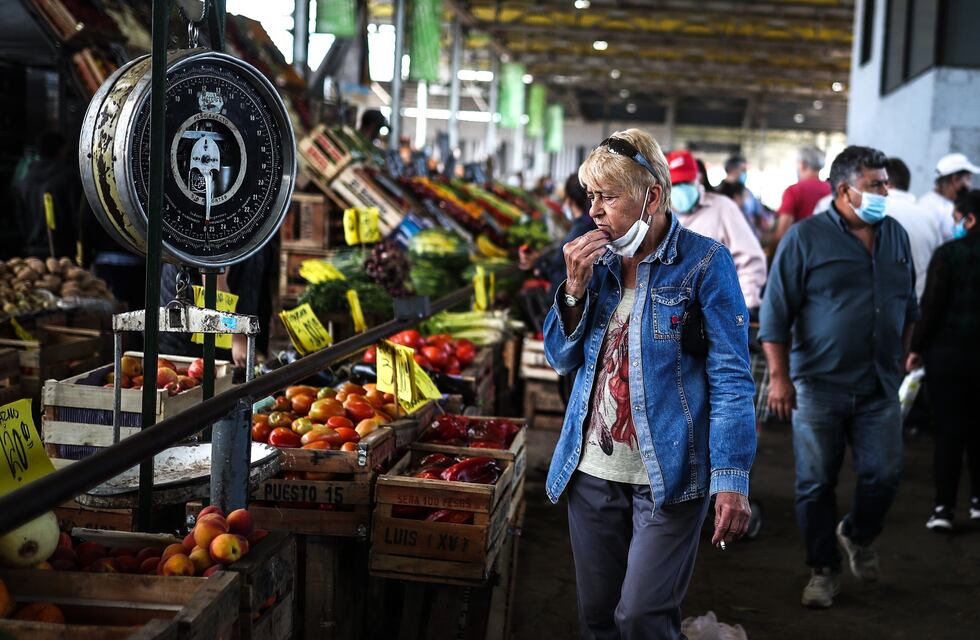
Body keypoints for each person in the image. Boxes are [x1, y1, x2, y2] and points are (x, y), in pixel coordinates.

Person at [544, 129, 756, 639]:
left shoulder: (705, 263)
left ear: (652, 197)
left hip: (669, 474)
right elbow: (560, 357)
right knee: (598, 618)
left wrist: (731, 476)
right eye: (591, 196)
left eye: (609, 196)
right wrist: (573, 289)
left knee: (640, 618)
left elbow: (731, 376)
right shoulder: (594, 264)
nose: (594, 210)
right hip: (591, 470)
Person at [759, 146, 917, 609]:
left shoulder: (896, 237)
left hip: (879, 386)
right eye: (877, 184)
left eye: (885, 183)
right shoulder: (805, 239)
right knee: (815, 483)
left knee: (885, 475)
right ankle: (823, 570)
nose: (886, 191)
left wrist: (901, 355)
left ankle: (857, 532)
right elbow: (775, 314)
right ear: (845, 190)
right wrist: (780, 378)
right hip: (819, 385)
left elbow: (909, 306)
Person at [906, 189, 980, 532]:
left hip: (949, 358)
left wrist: (916, 347)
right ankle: (978, 503)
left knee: (950, 431)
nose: (954, 225)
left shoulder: (948, 254)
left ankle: (943, 509)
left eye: (956, 219)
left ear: (970, 219)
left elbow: (931, 306)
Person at [667, 150, 767, 316]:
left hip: (717, 311)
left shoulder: (722, 208)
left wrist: (743, 306)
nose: (681, 188)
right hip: (671, 316)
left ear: (697, 178)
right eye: (676, 184)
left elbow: (750, 259)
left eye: (686, 182)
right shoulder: (659, 216)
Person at [883, 157, 943, 301]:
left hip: (881, 309)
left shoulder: (873, 213)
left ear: (887, 183)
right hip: (920, 304)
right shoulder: (929, 218)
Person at [13, 131, 80, 258]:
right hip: (64, 253)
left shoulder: (24, 181)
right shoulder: (68, 178)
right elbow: (77, 216)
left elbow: (20, 218)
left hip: (32, 251)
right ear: (61, 150)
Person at [773, 145, 831, 246]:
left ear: (802, 165)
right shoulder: (831, 190)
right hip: (826, 249)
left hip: (799, 252)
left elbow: (782, 232)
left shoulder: (793, 191)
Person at [918, 152, 979, 241]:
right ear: (955, 179)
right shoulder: (929, 206)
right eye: (968, 178)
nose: (970, 185)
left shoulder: (928, 201)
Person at [722, 154, 766, 232]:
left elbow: (759, 214)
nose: (745, 173)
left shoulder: (747, 192)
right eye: (743, 170)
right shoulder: (718, 192)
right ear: (732, 170)